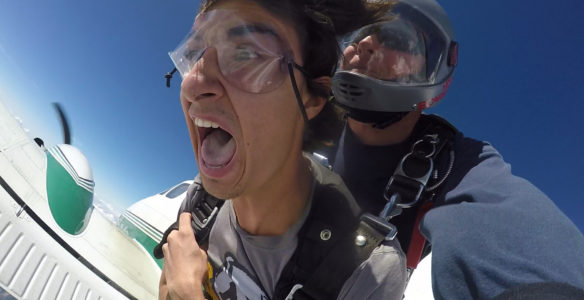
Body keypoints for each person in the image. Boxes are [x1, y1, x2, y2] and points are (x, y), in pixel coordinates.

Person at [329, 0, 584, 299]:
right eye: (356, 36)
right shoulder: (299, 122)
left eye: (395, 38)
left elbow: (510, 224)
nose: (364, 44)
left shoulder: (459, 165)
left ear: (433, 70)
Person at [158, 0, 408, 299]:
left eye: (246, 53)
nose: (193, 83)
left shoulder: (367, 272)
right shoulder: (203, 202)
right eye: (195, 53)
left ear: (312, 98)